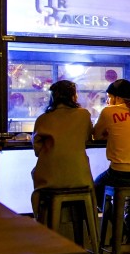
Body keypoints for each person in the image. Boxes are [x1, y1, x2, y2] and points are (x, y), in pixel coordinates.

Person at [93, 79, 130, 251]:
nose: (107, 100)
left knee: (97, 187)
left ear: (117, 98)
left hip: (120, 173)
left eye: (109, 96)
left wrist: (109, 133)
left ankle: (123, 227)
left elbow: (96, 135)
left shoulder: (108, 111)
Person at [31, 80, 95, 217]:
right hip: (79, 177)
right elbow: (88, 137)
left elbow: (37, 149)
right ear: (73, 96)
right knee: (88, 180)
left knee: (35, 173)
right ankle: (84, 227)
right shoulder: (84, 115)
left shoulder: (43, 119)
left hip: (49, 179)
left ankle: (44, 221)